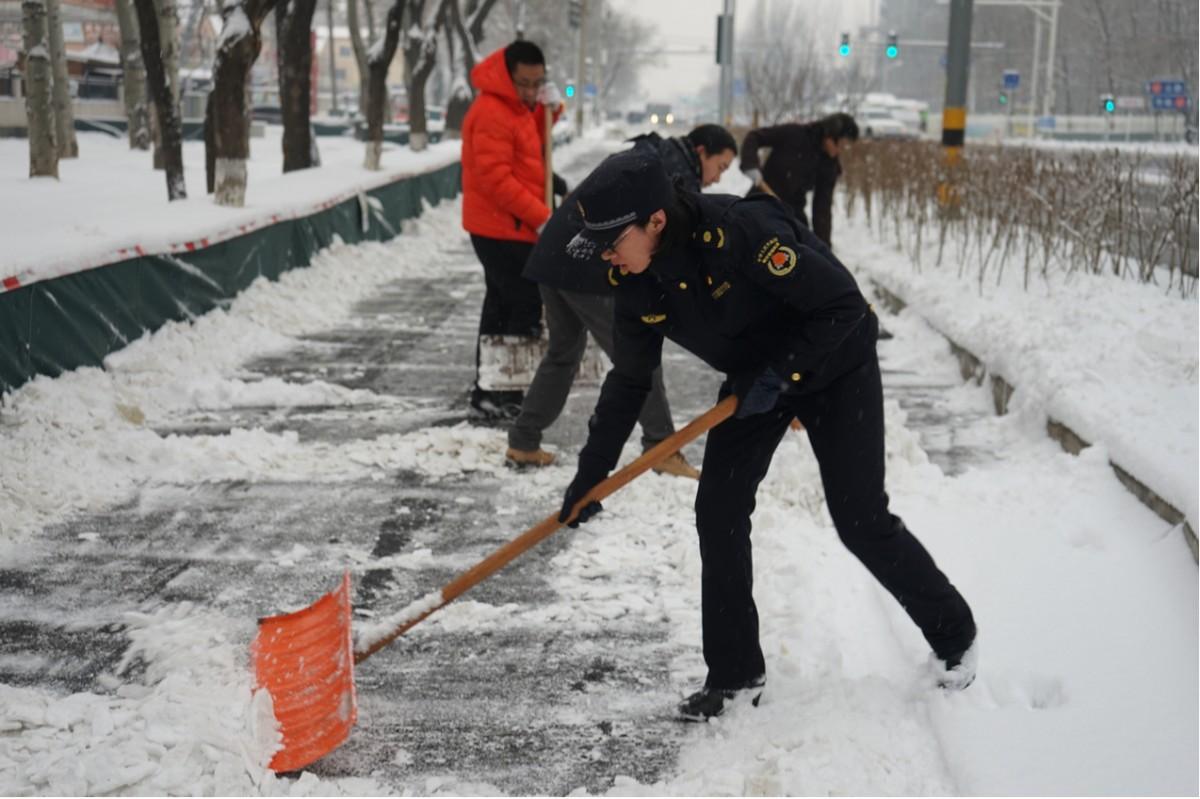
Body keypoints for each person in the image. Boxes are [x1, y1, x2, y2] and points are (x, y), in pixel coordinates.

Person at [555, 150, 977, 721]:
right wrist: (591, 476)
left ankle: (955, 635)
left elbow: (845, 307)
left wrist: (783, 376)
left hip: (834, 366)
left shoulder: (742, 232)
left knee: (859, 518)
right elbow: (629, 381)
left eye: (610, 240)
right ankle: (734, 677)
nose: (605, 255)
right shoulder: (635, 281)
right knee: (719, 509)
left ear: (655, 220)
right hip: (752, 381)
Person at [504, 125, 739, 479]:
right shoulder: (670, 175)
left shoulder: (655, 155)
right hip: (588, 266)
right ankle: (661, 446)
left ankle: (523, 440)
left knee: (563, 352)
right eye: (720, 167)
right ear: (702, 151)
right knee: (637, 354)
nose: (717, 179)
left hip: (555, 257)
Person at [460, 40, 563, 420]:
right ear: (507, 74)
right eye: (525, 83)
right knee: (519, 305)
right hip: (499, 228)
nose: (531, 92)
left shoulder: (515, 108)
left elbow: (533, 142)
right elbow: (496, 179)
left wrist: (552, 108)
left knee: (503, 306)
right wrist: (541, 216)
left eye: (538, 83)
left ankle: (493, 389)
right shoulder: (490, 111)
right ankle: (506, 391)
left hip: (512, 227)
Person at [739, 112, 859, 249]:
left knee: (798, 252)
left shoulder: (829, 164)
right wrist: (751, 164)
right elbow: (755, 137)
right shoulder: (794, 134)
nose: (839, 152)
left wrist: (823, 248)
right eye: (840, 145)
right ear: (830, 136)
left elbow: (822, 208)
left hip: (791, 213)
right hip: (760, 200)